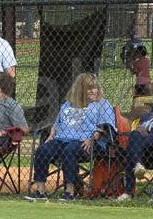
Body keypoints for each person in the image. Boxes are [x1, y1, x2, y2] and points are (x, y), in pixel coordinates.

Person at [26, 72, 116, 202]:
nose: (93, 91)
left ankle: (70, 191)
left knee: (70, 150)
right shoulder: (68, 104)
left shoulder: (102, 104)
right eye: (89, 88)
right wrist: (52, 133)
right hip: (62, 138)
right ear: (80, 90)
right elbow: (57, 123)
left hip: (87, 142)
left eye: (95, 87)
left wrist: (92, 137)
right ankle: (40, 190)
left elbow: (104, 126)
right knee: (42, 150)